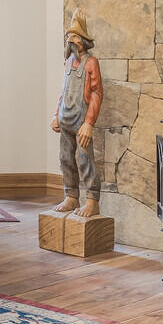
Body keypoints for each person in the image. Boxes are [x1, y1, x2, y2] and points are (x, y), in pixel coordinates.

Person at [51, 12, 103, 218]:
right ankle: (71, 196)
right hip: (65, 119)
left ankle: (92, 200)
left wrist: (89, 123)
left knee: (84, 160)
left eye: (73, 37)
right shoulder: (68, 63)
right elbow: (63, 92)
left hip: (81, 122)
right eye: (68, 37)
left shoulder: (91, 63)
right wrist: (56, 115)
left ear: (82, 40)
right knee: (65, 159)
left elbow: (98, 93)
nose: (70, 40)